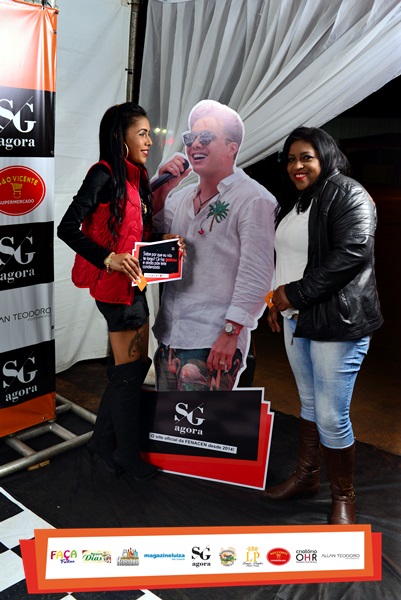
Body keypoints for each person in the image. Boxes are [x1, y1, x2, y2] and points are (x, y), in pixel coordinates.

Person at [57, 102, 185, 481]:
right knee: (129, 373)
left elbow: (135, 236)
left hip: (135, 284)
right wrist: (107, 258)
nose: (150, 141)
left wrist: (163, 240)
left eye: (149, 133)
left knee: (131, 368)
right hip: (115, 290)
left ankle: (103, 443)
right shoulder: (104, 174)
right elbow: (67, 227)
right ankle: (126, 456)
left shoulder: (137, 178)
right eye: (142, 133)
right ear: (120, 136)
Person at [261, 126, 383, 524]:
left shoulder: (349, 193)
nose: (296, 166)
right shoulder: (298, 201)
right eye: (291, 159)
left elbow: (352, 253)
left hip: (337, 321)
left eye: (306, 157)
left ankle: (344, 497)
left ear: (325, 156)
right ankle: (306, 478)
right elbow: (288, 256)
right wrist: (277, 300)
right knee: (310, 404)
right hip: (297, 319)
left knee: (331, 415)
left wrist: (293, 294)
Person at [152, 99, 276, 391]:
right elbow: (151, 245)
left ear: (232, 148)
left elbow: (257, 274)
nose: (195, 144)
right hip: (170, 334)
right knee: (169, 418)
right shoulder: (178, 198)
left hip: (213, 340)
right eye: (190, 138)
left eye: (206, 137)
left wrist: (230, 333)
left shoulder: (254, 199)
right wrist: (161, 189)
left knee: (204, 421)